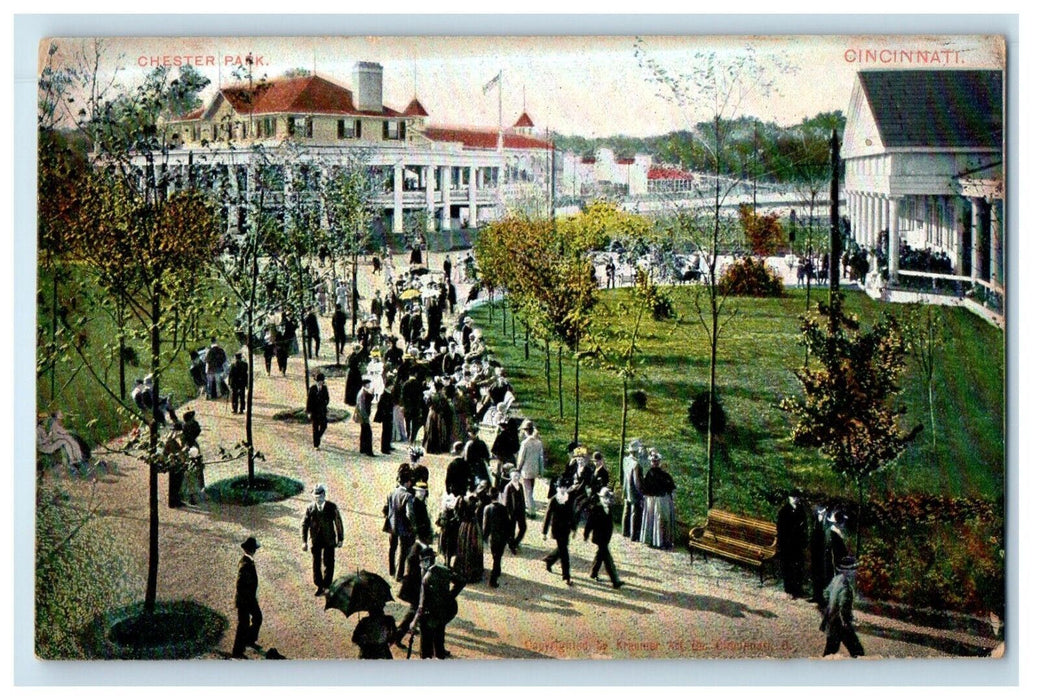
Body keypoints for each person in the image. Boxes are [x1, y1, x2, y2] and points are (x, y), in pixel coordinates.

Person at [410, 546, 466, 659]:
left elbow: (422, 604)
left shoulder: (426, 578)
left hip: (429, 614)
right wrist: (450, 596)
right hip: (444, 611)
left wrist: (414, 622)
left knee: (426, 644)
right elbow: (461, 581)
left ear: (427, 560)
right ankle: (440, 655)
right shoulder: (444, 570)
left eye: (422, 561)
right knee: (439, 635)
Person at [301, 484, 344, 596]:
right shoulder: (310, 508)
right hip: (315, 540)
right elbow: (304, 525)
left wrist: (340, 539)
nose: (318, 500)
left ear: (324, 495)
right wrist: (304, 541)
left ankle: (327, 585)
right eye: (315, 497)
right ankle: (319, 585)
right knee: (316, 563)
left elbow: (338, 522)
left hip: (329, 539)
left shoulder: (332, 507)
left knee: (329, 563)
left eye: (319, 497)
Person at [820, 556, 865, 658]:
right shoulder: (846, 586)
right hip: (841, 623)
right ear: (849, 571)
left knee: (830, 650)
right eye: (855, 569)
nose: (856, 572)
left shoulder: (836, 580)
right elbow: (844, 605)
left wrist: (831, 606)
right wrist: (846, 620)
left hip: (831, 620)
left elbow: (825, 594)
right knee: (858, 652)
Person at [584, 487, 623, 589]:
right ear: (601, 498)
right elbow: (589, 523)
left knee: (600, 556)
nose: (607, 500)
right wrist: (586, 534)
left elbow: (609, 524)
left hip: (606, 538)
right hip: (599, 538)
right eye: (605, 498)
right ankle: (615, 581)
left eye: (609, 499)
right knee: (608, 559)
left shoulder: (609, 509)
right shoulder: (596, 509)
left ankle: (593, 572)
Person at [232, 536, 263, 658]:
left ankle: (249, 640)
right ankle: (237, 652)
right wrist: (248, 600)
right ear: (252, 550)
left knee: (257, 618)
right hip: (245, 600)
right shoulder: (245, 564)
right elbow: (240, 585)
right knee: (243, 624)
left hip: (249, 599)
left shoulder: (247, 561)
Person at [639, 450, 676, 550]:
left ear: (659, 462)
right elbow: (645, 489)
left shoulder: (665, 475)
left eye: (656, 461)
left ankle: (663, 541)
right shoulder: (649, 474)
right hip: (652, 500)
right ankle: (653, 540)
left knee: (663, 520)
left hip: (662, 500)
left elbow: (671, 488)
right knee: (653, 520)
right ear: (651, 462)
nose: (655, 463)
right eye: (653, 461)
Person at [385, 464, 416, 581]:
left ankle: (391, 569)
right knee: (403, 550)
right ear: (407, 482)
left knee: (392, 548)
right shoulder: (408, 496)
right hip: (403, 526)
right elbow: (410, 514)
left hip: (392, 524)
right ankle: (399, 575)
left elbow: (387, 508)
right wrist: (413, 525)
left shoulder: (392, 492)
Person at [776, 491, 808, 599]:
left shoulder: (801, 510)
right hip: (786, 544)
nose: (795, 499)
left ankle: (798, 589)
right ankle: (788, 589)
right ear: (789, 498)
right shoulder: (784, 511)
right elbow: (780, 529)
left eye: (797, 497)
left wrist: (804, 540)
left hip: (797, 544)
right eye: (793, 497)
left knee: (798, 566)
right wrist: (782, 543)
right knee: (787, 566)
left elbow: (805, 527)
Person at [542, 482, 575, 585]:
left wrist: (574, 528)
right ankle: (566, 576)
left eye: (565, 487)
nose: (563, 489)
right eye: (561, 487)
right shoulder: (554, 500)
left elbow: (572, 514)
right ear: (558, 488)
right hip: (557, 530)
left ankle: (549, 560)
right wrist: (544, 532)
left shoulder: (568, 499)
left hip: (566, 529)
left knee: (562, 549)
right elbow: (547, 516)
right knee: (564, 552)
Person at [454, 489, 485, 584]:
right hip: (473, 527)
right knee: (473, 548)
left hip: (464, 526)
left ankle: (463, 572)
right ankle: (473, 573)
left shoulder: (461, 499)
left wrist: (461, 519)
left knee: (464, 547)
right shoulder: (476, 500)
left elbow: (457, 513)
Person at [482, 486, 510, 587]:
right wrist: (508, 537)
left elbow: (485, 526)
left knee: (495, 557)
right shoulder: (503, 508)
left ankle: (497, 572)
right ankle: (493, 579)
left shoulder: (487, 508)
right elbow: (507, 524)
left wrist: (484, 538)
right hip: (502, 537)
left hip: (492, 537)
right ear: (498, 496)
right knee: (498, 557)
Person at [515, 421, 543, 517]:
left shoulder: (525, 443)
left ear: (526, 431)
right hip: (535, 469)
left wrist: (518, 468)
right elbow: (541, 458)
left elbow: (521, 458)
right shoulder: (538, 443)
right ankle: (531, 507)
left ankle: (531, 511)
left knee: (528, 491)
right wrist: (541, 471)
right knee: (531, 489)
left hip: (526, 470)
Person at [622, 439, 645, 541]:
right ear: (635, 451)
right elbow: (636, 481)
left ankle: (625, 531)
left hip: (626, 488)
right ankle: (634, 535)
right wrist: (641, 493)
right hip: (633, 490)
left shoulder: (625, 460)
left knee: (626, 510)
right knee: (635, 513)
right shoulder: (636, 464)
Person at [502, 467, 527, 553]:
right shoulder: (508, 487)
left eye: (518, 476)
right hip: (512, 512)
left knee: (523, 528)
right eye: (515, 476)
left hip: (520, 511)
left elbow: (523, 498)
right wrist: (507, 514)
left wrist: (524, 509)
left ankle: (515, 542)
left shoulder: (520, 485)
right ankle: (511, 545)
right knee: (511, 530)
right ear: (511, 476)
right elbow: (506, 503)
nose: (516, 477)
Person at [306, 372, 330, 450]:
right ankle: (316, 445)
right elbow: (309, 401)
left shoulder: (325, 388)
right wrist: (308, 412)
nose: (320, 382)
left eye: (321, 381)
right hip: (314, 412)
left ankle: (317, 437)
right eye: (319, 381)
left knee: (324, 425)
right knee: (315, 428)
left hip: (322, 411)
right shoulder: (312, 388)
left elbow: (327, 398)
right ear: (316, 381)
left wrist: (325, 403)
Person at [374, 382, 396, 455]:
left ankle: (388, 445)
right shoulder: (384, 395)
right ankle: (384, 448)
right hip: (386, 416)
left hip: (388, 415)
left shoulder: (388, 394)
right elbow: (382, 407)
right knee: (386, 432)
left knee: (389, 431)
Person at [356, 378, 375, 456]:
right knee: (368, 433)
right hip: (363, 416)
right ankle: (368, 451)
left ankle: (363, 449)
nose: (369, 385)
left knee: (364, 432)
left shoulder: (363, 392)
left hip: (362, 415)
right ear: (365, 385)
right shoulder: (363, 393)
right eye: (368, 384)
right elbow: (362, 406)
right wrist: (365, 417)